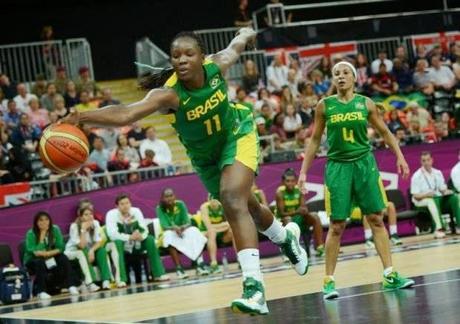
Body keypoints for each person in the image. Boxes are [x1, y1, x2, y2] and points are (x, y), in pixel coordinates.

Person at [63, 28, 307, 315]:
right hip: (205, 158)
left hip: (236, 134)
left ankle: (254, 289)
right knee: (248, 206)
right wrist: (82, 116)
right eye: (176, 55)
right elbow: (127, 113)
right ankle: (284, 238)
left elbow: (236, 45)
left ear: (202, 57)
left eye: (189, 54)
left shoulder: (217, 65)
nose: (181, 60)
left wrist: (245, 32)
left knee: (231, 199)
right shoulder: (168, 94)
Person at [298, 61, 414, 300]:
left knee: (376, 219)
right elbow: (315, 141)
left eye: (345, 73)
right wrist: (303, 172)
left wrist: (400, 156)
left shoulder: (366, 103)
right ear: (333, 80)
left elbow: (384, 132)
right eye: (336, 74)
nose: (340, 77)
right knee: (338, 225)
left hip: (364, 164)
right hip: (338, 167)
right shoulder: (324, 106)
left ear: (354, 78)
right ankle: (328, 281)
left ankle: (390, 275)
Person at [105, 193, 170, 283]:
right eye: (122, 204)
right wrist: (129, 237)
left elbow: (144, 229)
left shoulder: (136, 211)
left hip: (137, 243)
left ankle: (159, 274)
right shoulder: (111, 214)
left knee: (150, 239)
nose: (125, 206)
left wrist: (140, 236)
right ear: (117, 206)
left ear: (130, 203)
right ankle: (121, 279)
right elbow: (112, 234)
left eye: (127, 203)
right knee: (117, 243)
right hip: (122, 245)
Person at [23, 211, 79, 299]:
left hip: (50, 256)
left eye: (46, 219)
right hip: (33, 260)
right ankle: (41, 291)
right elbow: (33, 251)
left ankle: (71, 285)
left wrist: (49, 253)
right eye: (40, 220)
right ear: (36, 222)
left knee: (63, 258)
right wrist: (42, 235)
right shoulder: (31, 233)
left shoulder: (55, 229)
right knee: (39, 262)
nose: (44, 222)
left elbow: (61, 247)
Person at [156, 188, 209, 279]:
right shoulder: (160, 208)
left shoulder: (180, 204)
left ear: (175, 196)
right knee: (169, 236)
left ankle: (199, 264)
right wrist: (174, 228)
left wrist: (183, 227)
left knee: (194, 231)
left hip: (182, 230)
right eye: (166, 196)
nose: (169, 198)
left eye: (171, 195)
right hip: (169, 232)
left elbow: (188, 222)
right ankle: (179, 268)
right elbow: (164, 226)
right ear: (162, 198)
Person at [410, 151, 460, 238]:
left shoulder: (438, 172)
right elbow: (415, 196)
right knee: (431, 200)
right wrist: (427, 195)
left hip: (437, 198)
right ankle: (439, 229)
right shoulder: (417, 176)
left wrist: (446, 191)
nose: (426, 163)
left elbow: (442, 189)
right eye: (423, 161)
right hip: (421, 201)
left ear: (432, 160)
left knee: (454, 198)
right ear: (421, 162)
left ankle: (458, 226)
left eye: (428, 160)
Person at [276, 168, 324, 256]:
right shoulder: (280, 193)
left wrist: (304, 211)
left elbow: (303, 207)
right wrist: (296, 212)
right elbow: (282, 213)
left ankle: (319, 247)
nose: (290, 183)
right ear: (283, 182)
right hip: (285, 220)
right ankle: (289, 252)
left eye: (293, 181)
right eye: (288, 181)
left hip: (299, 217)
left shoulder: (299, 190)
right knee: (288, 220)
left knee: (315, 216)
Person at [65, 206, 112, 292]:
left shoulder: (95, 223)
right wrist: (83, 229)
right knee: (83, 251)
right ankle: (90, 283)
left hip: (88, 250)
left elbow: (98, 242)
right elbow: (82, 246)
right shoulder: (74, 226)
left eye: (91, 214)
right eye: (86, 215)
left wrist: (92, 250)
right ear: (81, 217)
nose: (90, 216)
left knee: (101, 250)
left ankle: (106, 280)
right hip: (73, 251)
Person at [195, 197, 236, 273]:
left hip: (220, 234)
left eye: (215, 199)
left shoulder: (223, 206)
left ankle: (241, 259)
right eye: (211, 199)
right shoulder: (204, 207)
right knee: (212, 233)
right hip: (205, 233)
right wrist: (223, 225)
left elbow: (231, 224)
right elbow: (208, 227)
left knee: (233, 231)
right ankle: (214, 264)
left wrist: (222, 226)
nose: (213, 201)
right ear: (208, 200)